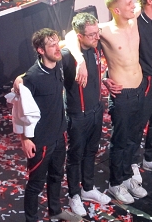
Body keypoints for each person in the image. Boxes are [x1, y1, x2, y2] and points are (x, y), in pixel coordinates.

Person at [65, 0, 148, 205]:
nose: (133, 5)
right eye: (128, 3)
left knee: (134, 137)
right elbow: (70, 35)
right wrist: (80, 61)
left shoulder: (134, 18)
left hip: (140, 89)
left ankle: (127, 176)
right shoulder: (104, 31)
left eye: (132, 2)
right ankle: (115, 182)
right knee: (120, 141)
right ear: (116, 10)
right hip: (123, 94)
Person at [14, 28, 81, 222]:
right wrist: (25, 138)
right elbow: (20, 109)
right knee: (35, 184)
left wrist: (82, 62)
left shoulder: (59, 65)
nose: (56, 47)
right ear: (40, 50)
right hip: (41, 140)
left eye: (56, 42)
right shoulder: (32, 78)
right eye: (51, 45)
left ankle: (55, 211)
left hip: (59, 135)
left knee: (56, 175)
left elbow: (72, 39)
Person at [109, 0, 152, 181]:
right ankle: (133, 163)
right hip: (147, 81)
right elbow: (118, 51)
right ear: (148, 0)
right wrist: (106, 77)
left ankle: (151, 158)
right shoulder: (135, 21)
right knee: (138, 124)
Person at [63, 13, 111, 216]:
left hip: (95, 110)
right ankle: (74, 194)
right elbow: (65, 37)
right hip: (77, 115)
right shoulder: (67, 55)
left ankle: (88, 188)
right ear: (79, 36)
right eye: (91, 34)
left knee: (91, 151)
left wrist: (105, 82)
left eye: (96, 32)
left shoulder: (94, 48)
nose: (96, 37)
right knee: (75, 156)